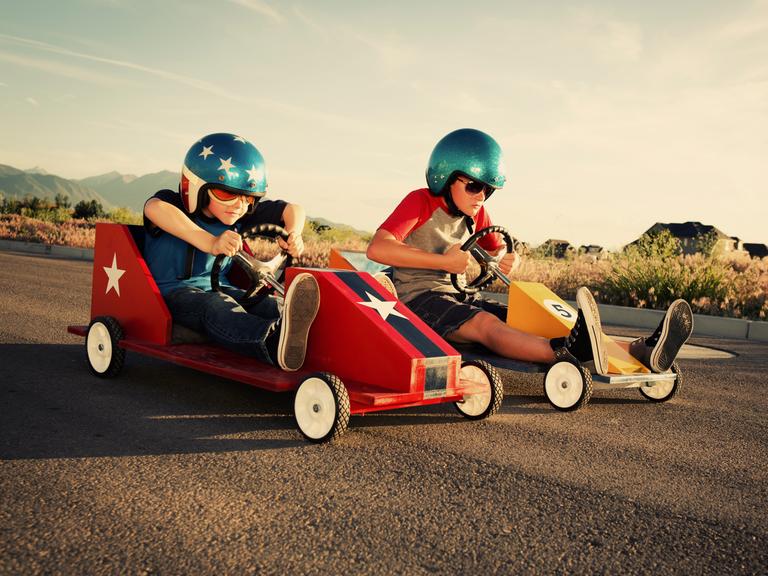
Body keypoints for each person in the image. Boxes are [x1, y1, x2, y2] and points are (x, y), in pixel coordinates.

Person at [366, 128, 693, 373]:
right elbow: (378, 249)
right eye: (474, 186)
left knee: (531, 318)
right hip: (418, 301)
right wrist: (442, 261)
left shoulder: (476, 213)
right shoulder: (419, 202)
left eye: (489, 189)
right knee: (485, 326)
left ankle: (642, 350)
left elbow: (501, 248)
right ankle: (563, 353)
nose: (482, 195)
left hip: (458, 294)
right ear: (445, 176)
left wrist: (510, 260)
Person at [143, 132, 319, 371]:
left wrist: (294, 233)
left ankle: (313, 339)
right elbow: (154, 208)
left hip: (219, 287)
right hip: (172, 294)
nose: (240, 205)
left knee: (266, 303)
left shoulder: (239, 215)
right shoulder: (172, 204)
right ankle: (270, 342)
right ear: (197, 188)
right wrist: (210, 242)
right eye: (227, 194)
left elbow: (293, 209)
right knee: (217, 305)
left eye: (248, 198)